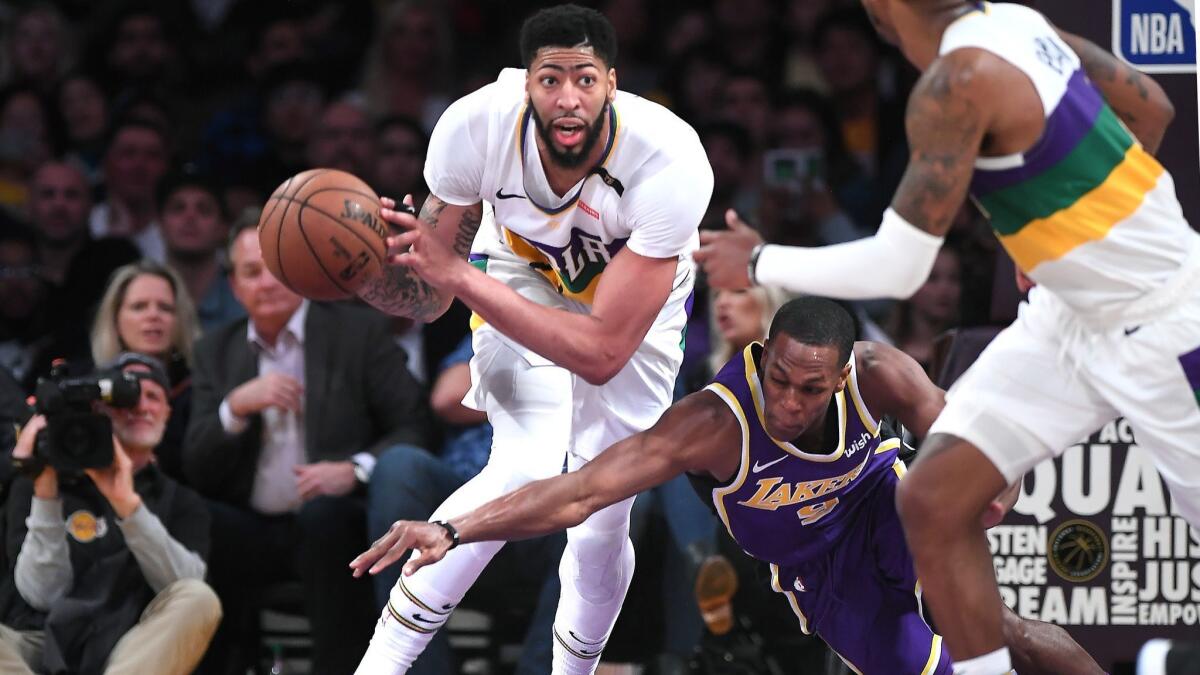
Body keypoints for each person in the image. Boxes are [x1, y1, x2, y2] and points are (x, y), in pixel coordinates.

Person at [692, 3, 1199, 673]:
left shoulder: (952, 83)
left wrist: (759, 262)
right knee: (931, 496)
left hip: (1162, 316)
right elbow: (1152, 108)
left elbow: (901, 268)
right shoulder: (1017, 22)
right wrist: (1062, 240)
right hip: (1068, 313)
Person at [352, 297, 1101, 675]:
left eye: (813, 389)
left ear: (840, 377)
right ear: (763, 354)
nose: (792, 402)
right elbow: (581, 491)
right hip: (820, 572)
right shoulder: (714, 422)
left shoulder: (878, 373)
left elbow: (958, 432)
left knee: (1007, 630)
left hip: (887, 506)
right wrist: (454, 529)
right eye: (780, 378)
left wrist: (986, 482)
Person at [352, 5, 713, 673]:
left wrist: (456, 272)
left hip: (632, 312)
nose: (568, 97)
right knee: (525, 463)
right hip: (521, 273)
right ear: (526, 83)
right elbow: (428, 298)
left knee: (602, 516)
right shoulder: (472, 127)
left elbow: (603, 353)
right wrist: (369, 266)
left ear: (612, 82)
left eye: (583, 78)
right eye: (550, 79)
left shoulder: (671, 161)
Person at [184, 217, 430, 674]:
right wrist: (233, 409)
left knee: (324, 519)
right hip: (256, 527)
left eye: (274, 268)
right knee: (198, 519)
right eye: (250, 272)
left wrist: (355, 469)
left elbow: (415, 424)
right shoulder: (215, 351)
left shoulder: (357, 333)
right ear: (235, 287)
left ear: (298, 269)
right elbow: (197, 468)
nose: (265, 282)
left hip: (339, 523)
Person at [0, 352, 220, 674]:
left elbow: (187, 592)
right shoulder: (37, 482)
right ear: (99, 409)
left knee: (200, 597)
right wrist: (46, 493)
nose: (141, 407)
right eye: (126, 399)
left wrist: (128, 506)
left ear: (168, 412)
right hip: (42, 643)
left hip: (133, 647)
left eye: (153, 397)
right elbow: (43, 596)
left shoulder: (182, 501)